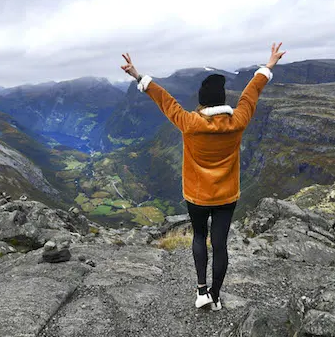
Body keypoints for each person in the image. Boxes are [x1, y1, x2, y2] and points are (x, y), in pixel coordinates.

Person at [120, 43, 286, 310]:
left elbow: (165, 101)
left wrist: (139, 77)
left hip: (197, 196)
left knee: (199, 237)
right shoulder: (238, 121)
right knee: (220, 245)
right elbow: (250, 95)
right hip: (226, 196)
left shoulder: (191, 123)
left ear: (202, 101)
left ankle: (201, 292)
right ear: (223, 100)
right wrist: (267, 67)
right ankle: (216, 296)